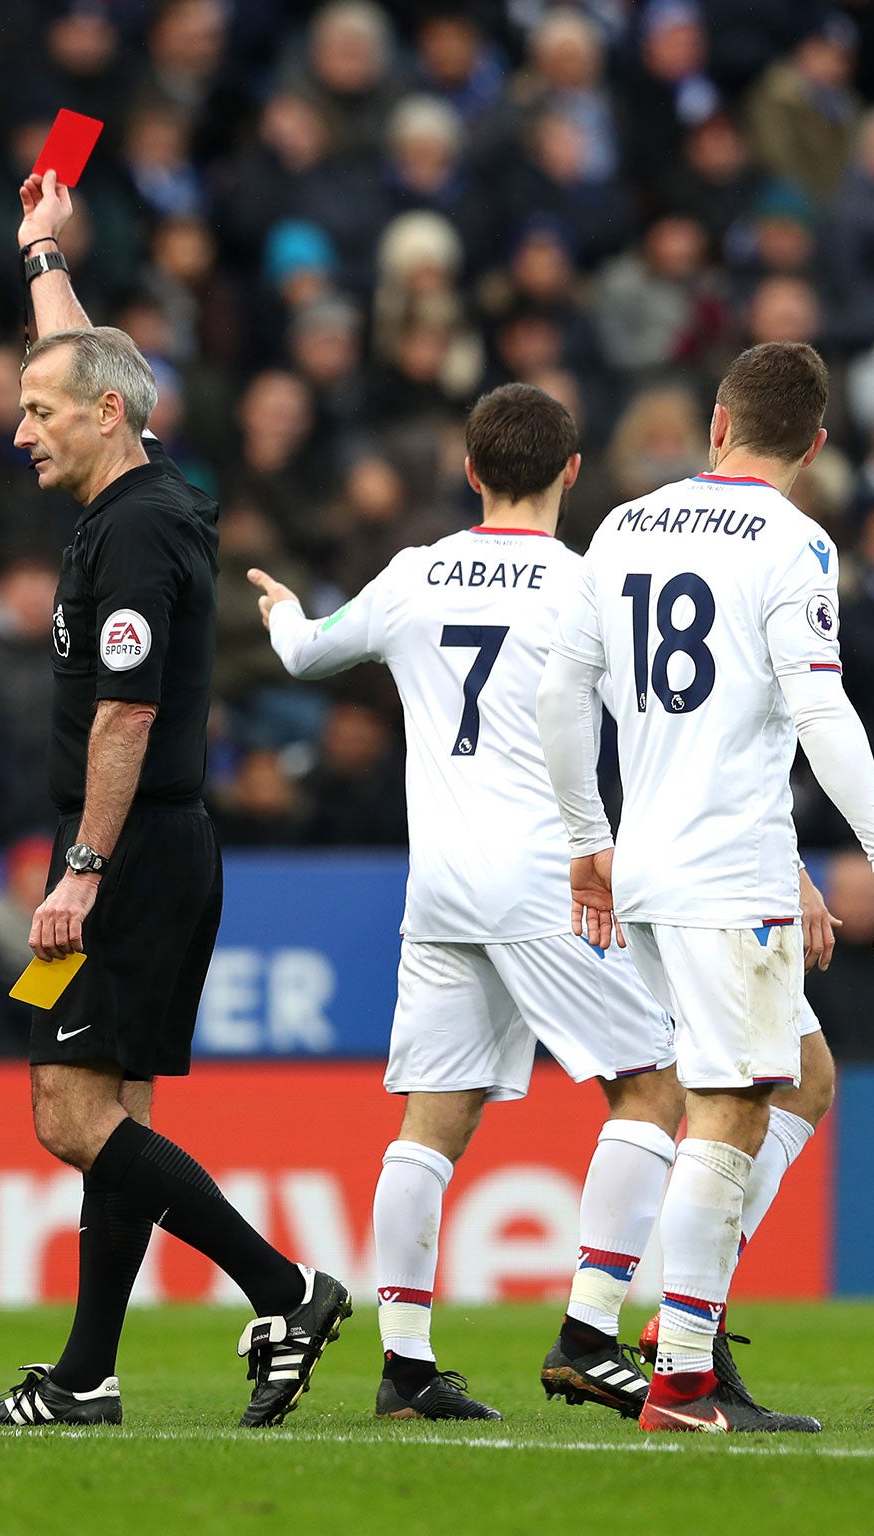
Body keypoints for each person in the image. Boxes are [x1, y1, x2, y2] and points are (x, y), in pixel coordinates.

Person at [0, 170, 350, 1432]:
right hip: (169, 846)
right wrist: (38, 255)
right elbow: (78, 353)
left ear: (105, 415)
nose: (21, 428)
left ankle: (284, 1288)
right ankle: (86, 1376)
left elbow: (124, 715)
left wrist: (79, 869)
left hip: (126, 853)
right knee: (114, 1115)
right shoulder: (152, 484)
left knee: (66, 1115)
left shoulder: (129, 535)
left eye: (38, 411)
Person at [246, 384, 678, 1421]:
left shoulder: (413, 573)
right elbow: (647, 723)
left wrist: (279, 613)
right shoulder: (587, 587)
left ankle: (403, 1366)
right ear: (572, 472)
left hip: (438, 884)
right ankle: (586, 1330)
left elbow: (306, 655)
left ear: (470, 470)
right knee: (653, 1090)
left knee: (429, 1124)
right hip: (545, 873)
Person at [538, 341, 874, 1435]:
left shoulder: (621, 525)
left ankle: (676, 1329)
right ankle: (682, 1381)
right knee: (728, 1103)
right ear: (812, 444)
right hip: (721, 872)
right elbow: (815, 713)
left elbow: (563, 695)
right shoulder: (795, 542)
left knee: (800, 1077)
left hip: (655, 860)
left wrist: (587, 839)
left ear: (714, 425)